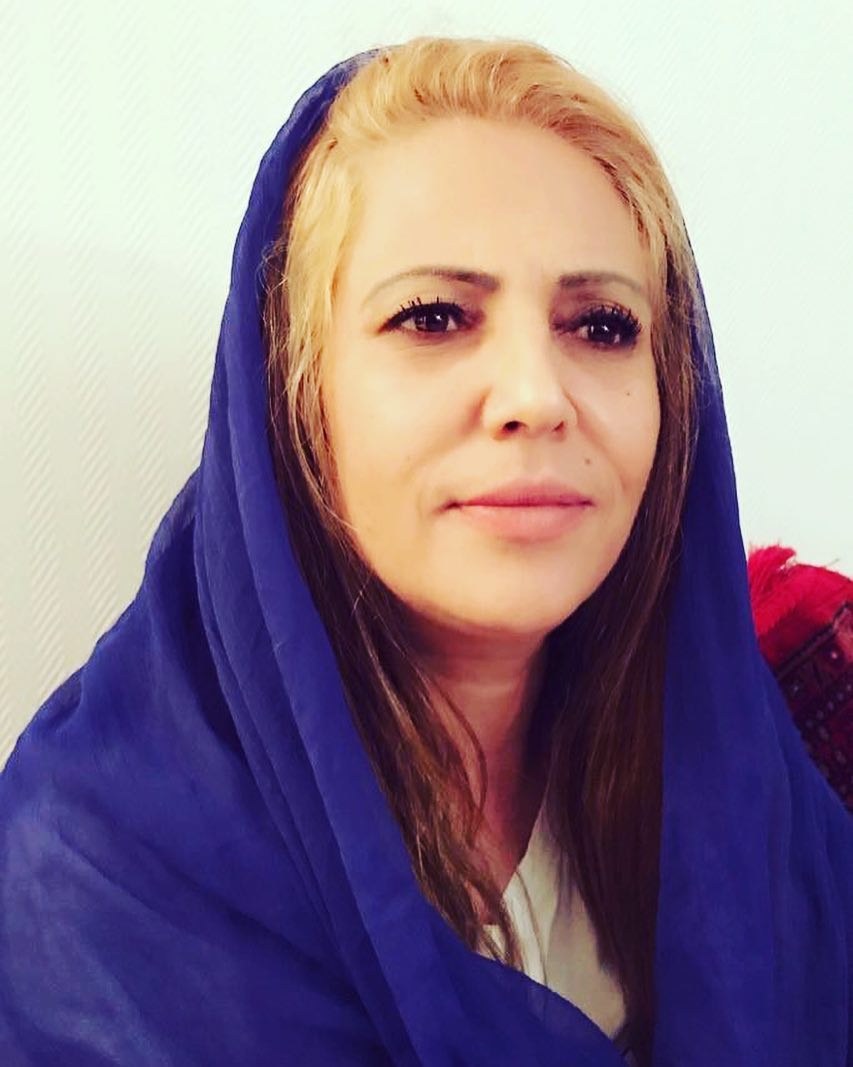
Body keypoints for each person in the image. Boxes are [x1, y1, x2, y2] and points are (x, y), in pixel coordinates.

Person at [0, 35, 849, 1067]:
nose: (535, 395)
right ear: (293, 394)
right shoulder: (96, 877)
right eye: (434, 316)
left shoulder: (747, 768)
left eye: (601, 326)